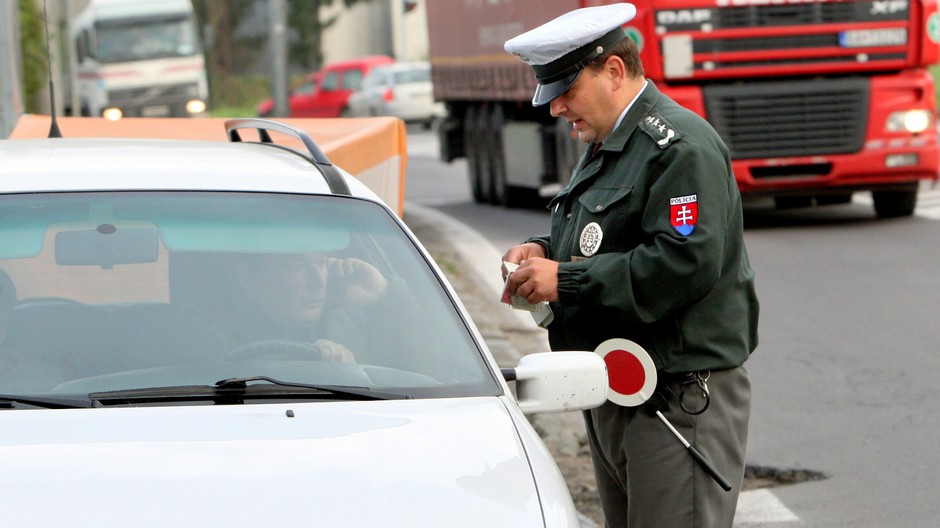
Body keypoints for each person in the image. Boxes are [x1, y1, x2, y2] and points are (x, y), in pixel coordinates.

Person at [501, 5, 759, 527]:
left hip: (676, 396)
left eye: (567, 90)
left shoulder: (678, 146)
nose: (557, 108)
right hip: (618, 389)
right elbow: (605, 233)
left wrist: (564, 281)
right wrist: (543, 250)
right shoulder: (610, 141)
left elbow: (685, 261)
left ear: (615, 71)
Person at [205, 252, 388, 363]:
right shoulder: (210, 339)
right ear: (248, 276)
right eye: (297, 267)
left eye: (321, 263)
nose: (319, 281)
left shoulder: (351, 321)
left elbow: (402, 381)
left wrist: (384, 292)